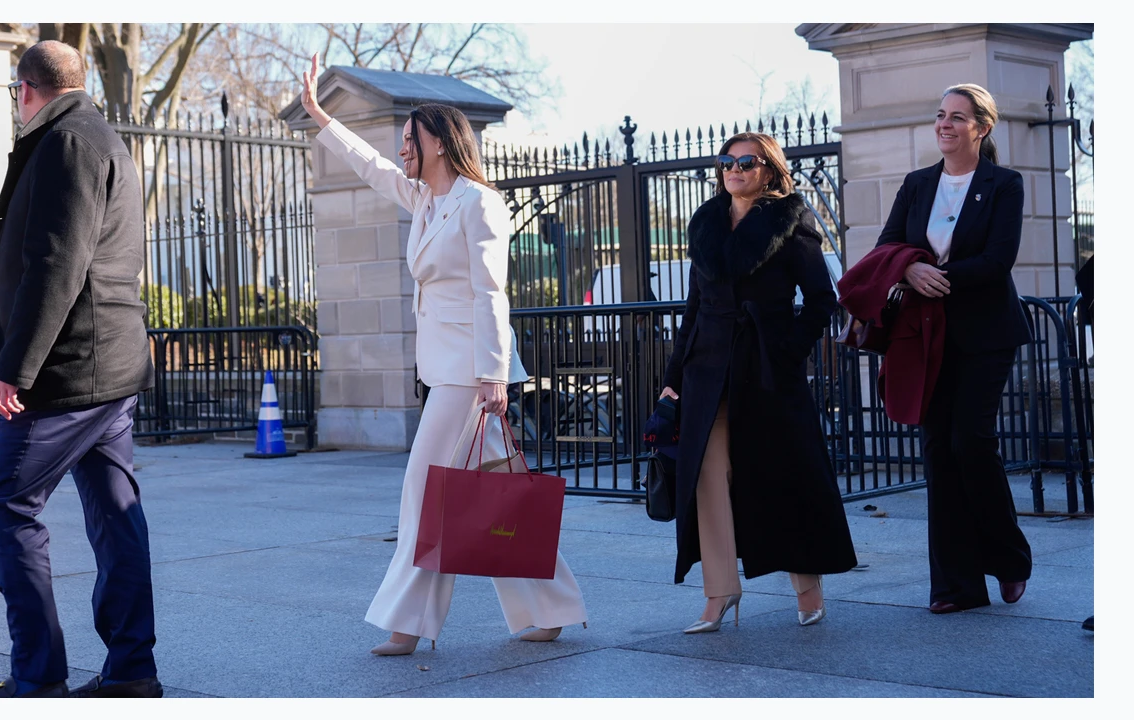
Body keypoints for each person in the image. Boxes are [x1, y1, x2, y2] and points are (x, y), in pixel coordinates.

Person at [299, 55, 588, 655]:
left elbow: (491, 293)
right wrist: (323, 120)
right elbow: (373, 167)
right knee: (494, 492)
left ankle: (407, 625)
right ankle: (551, 607)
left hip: (470, 376)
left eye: (411, 138)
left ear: (439, 142)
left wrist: (492, 375)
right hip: (447, 372)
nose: (402, 148)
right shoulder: (427, 200)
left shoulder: (477, 203)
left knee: (425, 491)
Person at [0, 40, 162, 697]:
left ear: (26, 90)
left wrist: (16, 367)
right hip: (107, 370)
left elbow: (57, 263)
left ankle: (40, 679)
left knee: (3, 508)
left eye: (15, 93)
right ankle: (132, 672)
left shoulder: (67, 143)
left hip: (69, 372)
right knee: (116, 515)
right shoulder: (99, 136)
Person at [659, 133, 858, 633]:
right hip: (706, 369)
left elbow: (821, 299)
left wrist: (787, 351)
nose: (735, 169)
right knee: (708, 478)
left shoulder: (791, 219)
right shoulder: (706, 222)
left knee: (783, 474)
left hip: (768, 369)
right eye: (727, 161)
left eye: (746, 161)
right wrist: (672, 379)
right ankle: (720, 591)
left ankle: (807, 587)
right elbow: (693, 309)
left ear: (768, 169)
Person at [873, 83, 1033, 614]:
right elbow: (888, 245)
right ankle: (956, 586)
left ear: (981, 128)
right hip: (925, 333)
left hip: (986, 332)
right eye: (941, 114)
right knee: (939, 450)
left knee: (971, 441)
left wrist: (936, 276)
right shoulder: (918, 184)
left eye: (958, 117)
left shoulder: (1003, 184)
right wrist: (909, 270)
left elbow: (997, 260)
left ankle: (1008, 558)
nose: (945, 123)